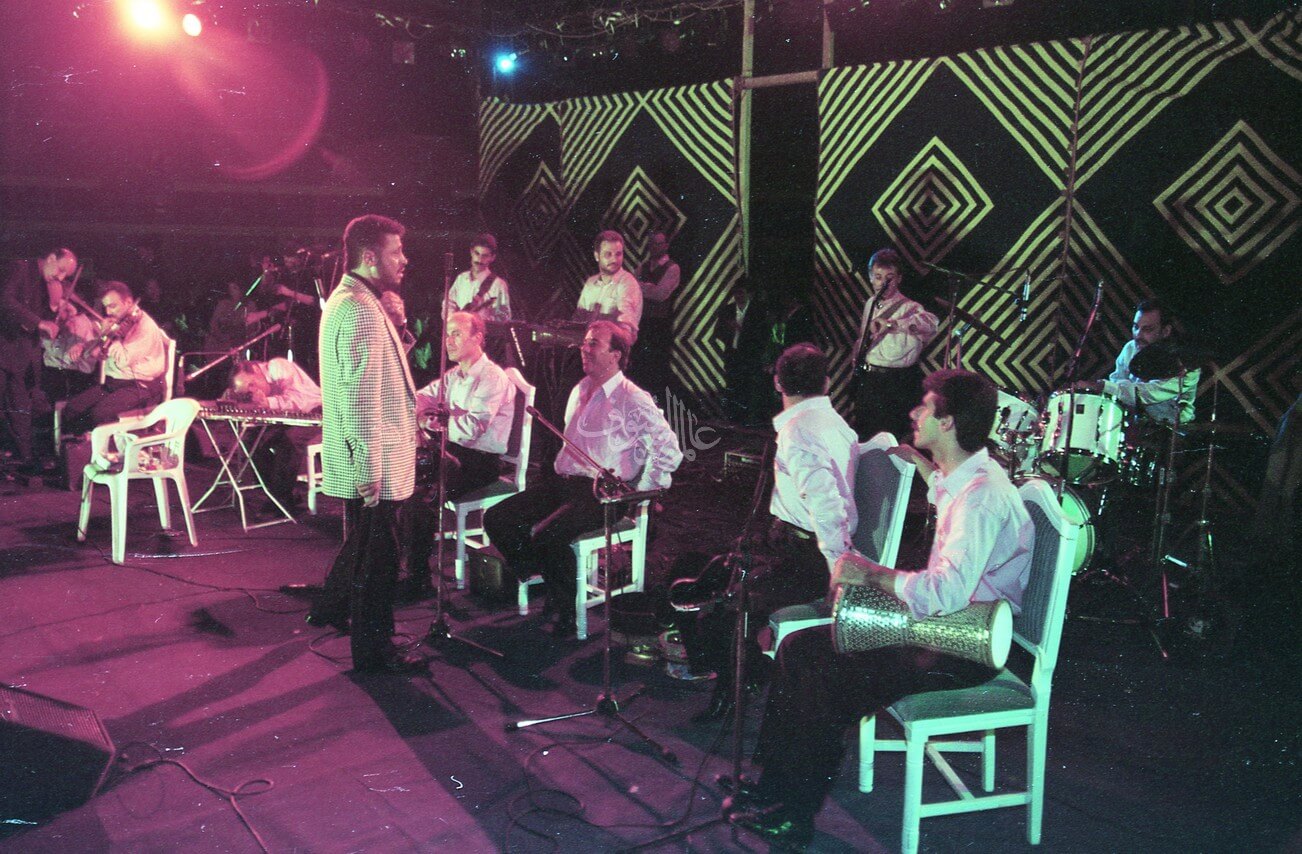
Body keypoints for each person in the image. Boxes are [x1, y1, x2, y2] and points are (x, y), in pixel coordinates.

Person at [725, 369, 1033, 847]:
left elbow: (945, 593)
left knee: (826, 675)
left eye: (924, 406)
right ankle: (773, 787)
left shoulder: (981, 499)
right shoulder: (970, 476)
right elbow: (948, 497)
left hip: (967, 646)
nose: (914, 412)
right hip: (942, 629)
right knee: (800, 646)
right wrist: (925, 465)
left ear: (947, 422)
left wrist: (868, 574)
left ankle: (794, 816)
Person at [683, 343, 857, 723]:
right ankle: (738, 673)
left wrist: (837, 572)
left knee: (728, 603)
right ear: (827, 383)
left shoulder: (800, 431)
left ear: (777, 382)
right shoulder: (834, 424)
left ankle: (734, 689)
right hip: (795, 545)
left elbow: (827, 507)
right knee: (704, 571)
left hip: (806, 556)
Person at [483, 320, 682, 638]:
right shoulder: (579, 389)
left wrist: (640, 492)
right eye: (585, 342)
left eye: (593, 344)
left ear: (616, 355)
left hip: (603, 494)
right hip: (565, 483)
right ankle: (550, 577)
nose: (583, 349)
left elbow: (669, 450)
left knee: (549, 537)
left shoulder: (633, 398)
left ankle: (567, 613)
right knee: (497, 517)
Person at [308, 214, 424, 675]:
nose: (405, 260)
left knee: (371, 558)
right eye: (397, 252)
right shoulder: (358, 309)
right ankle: (376, 654)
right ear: (370, 257)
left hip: (368, 458)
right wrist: (370, 470)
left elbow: (376, 377)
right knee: (378, 565)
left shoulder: (355, 301)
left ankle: (365, 638)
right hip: (376, 463)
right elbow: (360, 400)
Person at [403, 311, 515, 594]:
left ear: (477, 338)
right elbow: (420, 396)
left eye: (456, 334)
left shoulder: (492, 377)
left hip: (479, 462)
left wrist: (432, 422)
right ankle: (399, 568)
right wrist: (425, 415)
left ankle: (418, 580)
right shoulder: (454, 375)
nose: (448, 341)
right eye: (447, 334)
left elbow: (471, 429)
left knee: (419, 497)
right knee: (398, 482)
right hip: (451, 452)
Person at [0, 247, 79, 472]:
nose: (60, 278)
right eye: (60, 270)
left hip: (23, 356)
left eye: (65, 276)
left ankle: (25, 460)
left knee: (20, 408)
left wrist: (59, 314)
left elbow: (44, 318)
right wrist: (39, 322)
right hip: (5, 349)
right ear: (51, 258)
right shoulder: (21, 267)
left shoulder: (46, 282)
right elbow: (5, 301)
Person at [850, 248, 938, 441]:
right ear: (871, 278)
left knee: (890, 439)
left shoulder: (910, 307)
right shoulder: (870, 303)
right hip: (869, 380)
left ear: (899, 279)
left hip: (895, 383)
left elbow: (932, 323)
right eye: (878, 277)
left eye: (889, 277)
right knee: (864, 436)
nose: (884, 283)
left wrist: (893, 324)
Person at [61, 280, 169, 435]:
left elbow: (123, 360)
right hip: (115, 382)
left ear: (128, 302)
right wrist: (83, 346)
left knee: (98, 414)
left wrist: (111, 336)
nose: (108, 311)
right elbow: (100, 348)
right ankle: (77, 446)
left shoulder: (144, 326)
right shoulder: (119, 322)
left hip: (140, 386)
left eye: (112, 306)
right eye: (105, 306)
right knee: (73, 408)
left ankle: (97, 447)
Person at [222, 358, 322, 514]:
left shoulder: (277, 367)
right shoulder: (260, 385)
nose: (253, 390)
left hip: (315, 412)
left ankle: (280, 499)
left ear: (257, 370)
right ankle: (278, 495)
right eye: (248, 390)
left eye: (252, 384)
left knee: (290, 440)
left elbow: (301, 400)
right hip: (289, 419)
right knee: (252, 440)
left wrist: (268, 402)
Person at [1078, 298, 1199, 426]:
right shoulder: (1131, 347)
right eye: (1136, 327)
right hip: (1130, 422)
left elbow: (1145, 394)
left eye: (1148, 329)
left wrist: (1101, 385)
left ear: (1165, 331)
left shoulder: (1184, 363)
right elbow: (1117, 380)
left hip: (1170, 429)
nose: (1138, 335)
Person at [630, 232, 681, 398]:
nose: (654, 247)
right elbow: (630, 286)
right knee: (640, 365)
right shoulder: (642, 267)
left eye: (658, 244)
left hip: (660, 324)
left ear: (666, 245)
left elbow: (660, 294)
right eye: (652, 244)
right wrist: (649, 287)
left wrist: (641, 286)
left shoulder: (672, 268)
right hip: (641, 322)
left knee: (657, 366)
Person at [714, 278, 770, 424]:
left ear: (750, 294)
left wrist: (742, 329)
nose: (738, 296)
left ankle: (749, 421)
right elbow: (717, 332)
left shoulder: (759, 311)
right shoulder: (727, 310)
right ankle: (733, 419)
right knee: (732, 386)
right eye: (736, 293)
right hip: (732, 356)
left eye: (741, 293)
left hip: (750, 357)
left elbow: (764, 336)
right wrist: (728, 329)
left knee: (748, 388)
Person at [573, 231, 643, 342]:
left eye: (618, 254)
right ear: (597, 256)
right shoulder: (590, 283)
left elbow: (626, 336)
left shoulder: (627, 284)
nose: (614, 260)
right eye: (608, 254)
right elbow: (577, 320)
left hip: (612, 351)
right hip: (586, 347)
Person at [443, 233, 511, 323]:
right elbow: (448, 304)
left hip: (484, 331)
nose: (479, 259)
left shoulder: (498, 285)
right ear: (471, 252)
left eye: (485, 255)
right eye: (477, 253)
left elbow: (503, 317)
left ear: (492, 258)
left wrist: (480, 321)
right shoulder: (461, 279)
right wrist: (455, 320)